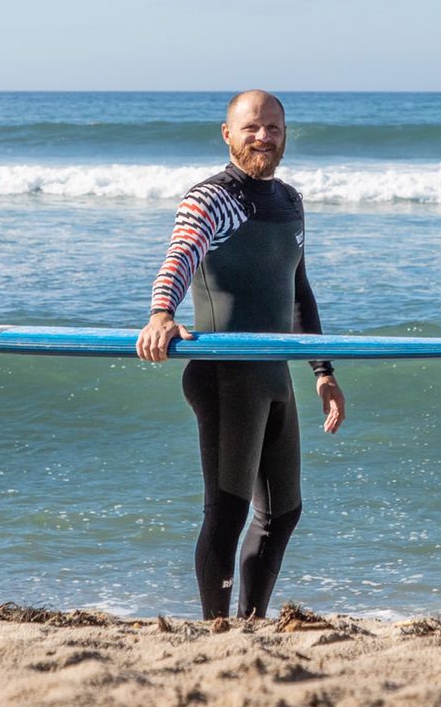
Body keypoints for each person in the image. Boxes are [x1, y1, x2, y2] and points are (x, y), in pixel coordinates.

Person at [136, 90, 345, 620]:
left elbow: (298, 292)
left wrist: (322, 372)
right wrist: (162, 312)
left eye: (273, 127)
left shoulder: (291, 201)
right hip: (227, 377)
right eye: (252, 127)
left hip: (273, 377)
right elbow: (180, 254)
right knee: (226, 516)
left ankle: (250, 625)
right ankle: (216, 633)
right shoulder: (210, 198)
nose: (264, 137)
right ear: (227, 134)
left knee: (283, 513)